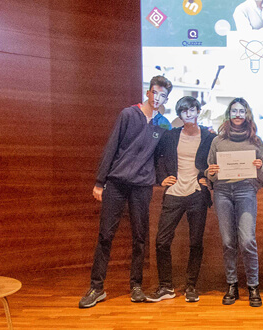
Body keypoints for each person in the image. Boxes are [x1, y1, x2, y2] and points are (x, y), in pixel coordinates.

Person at [79, 76, 173, 308]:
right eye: (155, 92)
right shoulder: (128, 114)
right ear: (148, 92)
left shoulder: (163, 124)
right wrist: (100, 182)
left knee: (140, 238)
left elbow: (159, 156)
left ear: (166, 98)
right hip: (117, 183)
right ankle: (96, 287)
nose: (157, 98)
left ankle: (136, 286)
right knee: (105, 236)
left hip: (142, 186)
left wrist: (162, 178)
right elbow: (112, 146)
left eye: (163, 95)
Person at [147, 96, 217, 303]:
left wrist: (207, 178)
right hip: (174, 192)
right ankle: (166, 287)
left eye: (192, 109)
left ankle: (191, 286)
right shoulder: (170, 136)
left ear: (197, 111)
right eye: (183, 110)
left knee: (196, 243)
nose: (188, 113)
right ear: (179, 114)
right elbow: (156, 158)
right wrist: (161, 179)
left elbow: (214, 162)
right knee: (162, 241)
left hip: (197, 193)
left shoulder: (208, 136)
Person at [206, 98, 263, 307]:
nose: (238, 114)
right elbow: (210, 171)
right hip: (222, 192)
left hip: (245, 191)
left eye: (242, 111)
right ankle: (231, 285)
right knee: (227, 242)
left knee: (247, 241)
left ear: (248, 114)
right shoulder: (218, 141)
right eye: (234, 111)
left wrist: (259, 167)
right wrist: (211, 172)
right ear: (228, 114)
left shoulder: (256, 141)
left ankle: (253, 286)